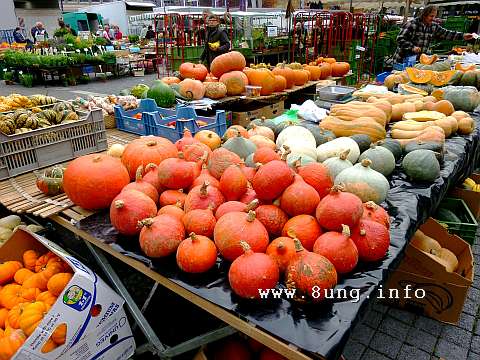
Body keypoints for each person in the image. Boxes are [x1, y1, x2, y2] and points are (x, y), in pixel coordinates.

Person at [393, 5, 474, 64]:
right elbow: (400, 39)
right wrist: (412, 47)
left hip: (419, 62)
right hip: (402, 61)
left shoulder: (433, 26)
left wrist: (463, 35)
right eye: (431, 16)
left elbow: (447, 34)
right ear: (424, 15)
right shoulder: (412, 24)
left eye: (434, 16)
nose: (433, 18)